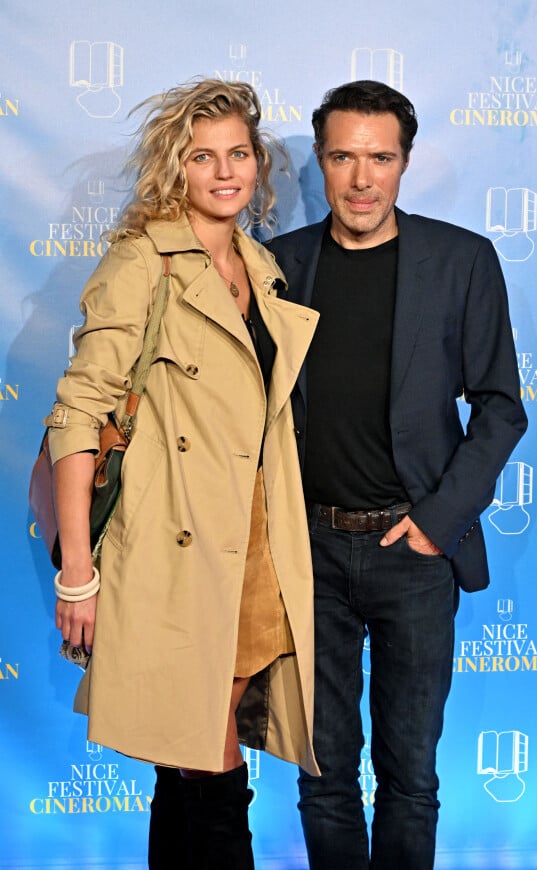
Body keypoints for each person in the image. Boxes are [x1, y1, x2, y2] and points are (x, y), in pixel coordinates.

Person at [44, 78, 319, 870]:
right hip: (177, 547)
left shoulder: (260, 266)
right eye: (204, 157)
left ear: (258, 164)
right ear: (176, 168)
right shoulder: (144, 260)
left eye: (238, 153)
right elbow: (78, 415)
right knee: (203, 751)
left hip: (256, 543)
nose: (224, 171)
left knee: (203, 746)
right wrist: (77, 573)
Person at [267, 80, 528, 870]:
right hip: (307, 553)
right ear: (320, 160)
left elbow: (501, 407)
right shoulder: (278, 266)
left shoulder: (462, 261)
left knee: (410, 776)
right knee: (323, 775)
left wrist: (436, 523)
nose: (361, 178)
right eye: (343, 156)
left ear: (404, 162)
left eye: (380, 157)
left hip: (412, 550)